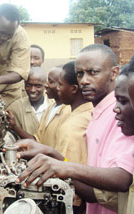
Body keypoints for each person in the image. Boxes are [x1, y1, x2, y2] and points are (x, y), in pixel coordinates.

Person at [16, 44, 134, 214]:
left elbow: (122, 179)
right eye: (80, 74)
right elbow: (94, 190)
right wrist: (51, 154)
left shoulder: (123, 116)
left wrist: (65, 167)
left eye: (93, 72)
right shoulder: (97, 113)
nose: (84, 80)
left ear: (114, 73)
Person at [7, 67, 53, 139]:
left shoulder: (53, 106)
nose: (32, 90)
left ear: (45, 85)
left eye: (38, 86)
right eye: (28, 85)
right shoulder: (15, 107)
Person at [34, 66, 71, 147]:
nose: (46, 85)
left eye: (51, 82)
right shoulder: (50, 108)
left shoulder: (68, 111)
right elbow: (38, 141)